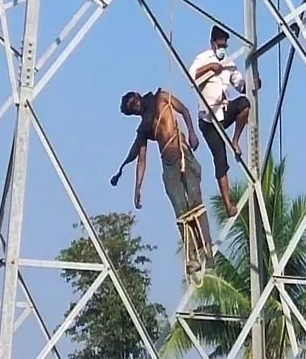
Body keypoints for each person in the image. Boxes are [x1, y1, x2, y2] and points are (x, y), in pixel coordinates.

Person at [109, 88, 215, 275]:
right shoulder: (144, 127)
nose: (136, 107)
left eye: (134, 103)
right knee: (181, 211)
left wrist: (192, 132)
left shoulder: (161, 98)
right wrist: (137, 188)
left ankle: (208, 251)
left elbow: (183, 110)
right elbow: (140, 158)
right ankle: (192, 256)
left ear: (138, 96)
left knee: (195, 202)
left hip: (182, 153)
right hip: (168, 164)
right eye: (132, 109)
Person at [188, 25, 261, 217]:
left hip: (224, 111)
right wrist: (211, 68)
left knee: (244, 104)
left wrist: (253, 84)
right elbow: (191, 75)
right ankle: (228, 204)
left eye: (225, 45)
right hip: (208, 118)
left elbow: (240, 86)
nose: (222, 48)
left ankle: (235, 140)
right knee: (220, 160)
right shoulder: (202, 58)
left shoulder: (229, 63)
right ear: (213, 43)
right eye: (220, 44)